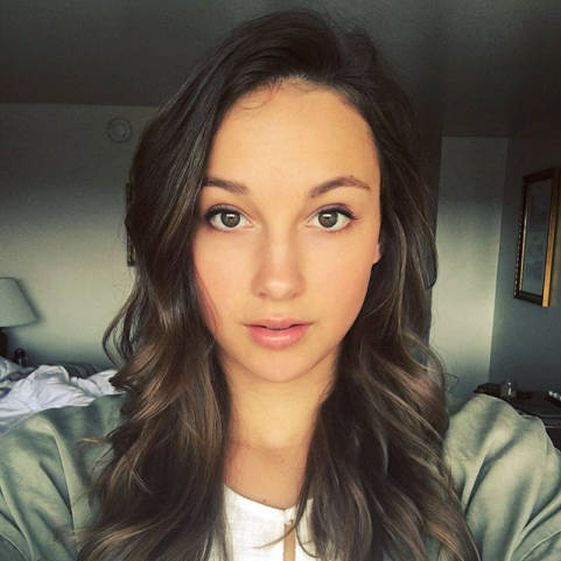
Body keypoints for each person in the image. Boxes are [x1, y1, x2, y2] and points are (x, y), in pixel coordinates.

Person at [0, 8, 560, 561]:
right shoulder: (49, 473)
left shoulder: (495, 466)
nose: (278, 281)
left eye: (330, 216)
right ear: (175, 236)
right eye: (227, 216)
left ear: (382, 237)